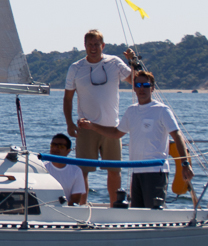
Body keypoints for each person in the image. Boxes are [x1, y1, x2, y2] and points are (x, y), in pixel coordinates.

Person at [78, 70, 192, 209]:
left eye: (145, 85)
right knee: (137, 212)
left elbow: (177, 135)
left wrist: (184, 164)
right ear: (134, 88)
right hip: (136, 171)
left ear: (152, 87)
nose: (142, 88)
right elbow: (116, 133)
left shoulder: (162, 110)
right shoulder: (131, 111)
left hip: (155, 171)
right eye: (138, 85)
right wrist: (92, 126)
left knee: (152, 212)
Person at [64, 29, 134, 206]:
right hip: (86, 127)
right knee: (83, 171)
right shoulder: (75, 68)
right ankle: (81, 207)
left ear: (103, 46)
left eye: (96, 44)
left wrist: (133, 61)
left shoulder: (115, 63)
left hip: (112, 128)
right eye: (90, 45)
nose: (93, 48)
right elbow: (68, 97)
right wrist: (69, 123)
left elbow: (135, 80)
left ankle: (114, 206)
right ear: (85, 46)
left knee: (114, 170)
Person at [43, 133, 87, 205]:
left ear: (68, 151)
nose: (55, 148)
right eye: (53, 145)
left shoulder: (76, 171)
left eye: (60, 146)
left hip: (66, 211)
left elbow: (75, 200)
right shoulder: (41, 167)